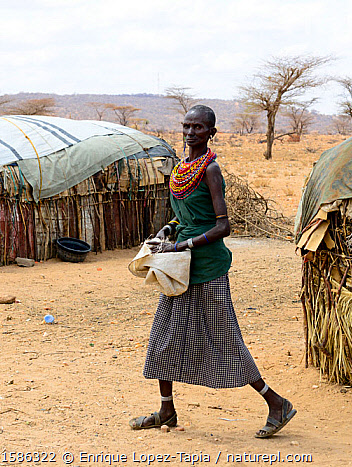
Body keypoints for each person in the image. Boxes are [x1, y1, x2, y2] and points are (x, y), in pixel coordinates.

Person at [129, 105, 296, 438]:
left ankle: (276, 403)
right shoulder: (181, 168)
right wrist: (167, 232)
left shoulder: (211, 170)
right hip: (180, 269)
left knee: (225, 340)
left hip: (207, 267)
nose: (190, 133)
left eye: (198, 128)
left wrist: (184, 245)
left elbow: (222, 226)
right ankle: (166, 410)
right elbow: (187, 217)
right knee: (165, 339)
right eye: (187, 126)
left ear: (211, 133)